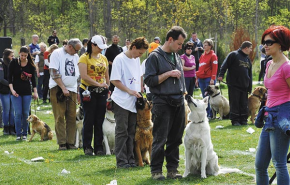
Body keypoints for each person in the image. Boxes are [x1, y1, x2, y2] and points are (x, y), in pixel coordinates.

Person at [144, 26, 187, 180]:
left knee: (176, 138)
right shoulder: (154, 57)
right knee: (160, 138)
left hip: (178, 101)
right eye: (179, 44)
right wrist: (168, 74)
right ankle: (156, 171)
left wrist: (184, 93)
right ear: (170, 40)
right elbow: (149, 80)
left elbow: (180, 78)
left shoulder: (176, 56)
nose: (181, 47)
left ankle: (172, 170)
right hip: (162, 101)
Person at [255, 25, 290, 185]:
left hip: (281, 120)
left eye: (269, 42)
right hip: (268, 117)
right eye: (264, 42)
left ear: (281, 44)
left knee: (279, 164)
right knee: (260, 165)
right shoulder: (268, 63)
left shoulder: (287, 67)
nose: (265, 45)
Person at [110, 37, 148, 168]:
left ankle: (131, 159)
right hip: (121, 100)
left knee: (132, 131)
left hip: (134, 101)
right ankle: (121, 161)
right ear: (133, 48)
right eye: (139, 52)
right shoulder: (119, 59)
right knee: (122, 131)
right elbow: (114, 80)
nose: (140, 55)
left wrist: (140, 88)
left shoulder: (136, 59)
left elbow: (140, 75)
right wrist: (129, 91)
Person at [78, 35, 109, 156]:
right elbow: (84, 76)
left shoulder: (104, 58)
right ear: (92, 45)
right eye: (99, 47)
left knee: (100, 119)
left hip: (102, 92)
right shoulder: (84, 58)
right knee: (89, 119)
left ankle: (99, 146)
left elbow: (106, 75)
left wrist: (107, 86)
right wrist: (98, 84)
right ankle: (87, 146)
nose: (101, 49)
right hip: (88, 91)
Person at [49, 38, 81, 150]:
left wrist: (77, 91)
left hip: (72, 89)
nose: (76, 53)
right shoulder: (57, 53)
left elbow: (78, 75)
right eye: (76, 50)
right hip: (57, 88)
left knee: (72, 116)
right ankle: (62, 143)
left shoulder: (76, 56)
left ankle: (70, 142)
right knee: (59, 116)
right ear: (70, 46)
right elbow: (53, 72)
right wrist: (63, 88)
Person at [218, 41, 253, 126]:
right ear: (246, 48)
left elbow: (250, 74)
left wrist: (250, 87)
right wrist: (221, 75)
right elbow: (224, 65)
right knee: (235, 103)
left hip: (244, 85)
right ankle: (235, 120)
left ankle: (243, 120)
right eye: (250, 48)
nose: (251, 50)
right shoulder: (234, 55)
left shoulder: (247, 59)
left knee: (244, 104)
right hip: (234, 85)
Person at [8, 46, 38, 141]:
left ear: (27, 55)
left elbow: (33, 80)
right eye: (22, 55)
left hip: (27, 92)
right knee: (18, 113)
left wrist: (35, 92)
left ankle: (25, 133)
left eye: (25, 56)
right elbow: (9, 78)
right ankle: (18, 134)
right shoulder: (13, 63)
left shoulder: (30, 65)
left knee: (25, 113)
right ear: (19, 54)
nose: (23, 57)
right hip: (15, 91)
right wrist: (12, 90)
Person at [196, 39, 218, 118]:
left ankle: (211, 114)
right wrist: (197, 78)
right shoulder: (202, 55)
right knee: (204, 97)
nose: (204, 46)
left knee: (210, 96)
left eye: (206, 45)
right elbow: (200, 67)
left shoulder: (213, 56)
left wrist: (212, 78)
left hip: (208, 78)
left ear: (210, 46)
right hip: (201, 78)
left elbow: (215, 68)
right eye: (203, 45)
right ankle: (206, 113)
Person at [0, 49, 15, 135]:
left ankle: (12, 128)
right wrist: (10, 84)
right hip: (4, 90)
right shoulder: (2, 65)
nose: (13, 57)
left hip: (12, 90)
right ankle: (6, 128)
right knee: (6, 110)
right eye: (11, 56)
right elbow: (1, 79)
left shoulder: (13, 64)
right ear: (6, 56)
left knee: (12, 110)